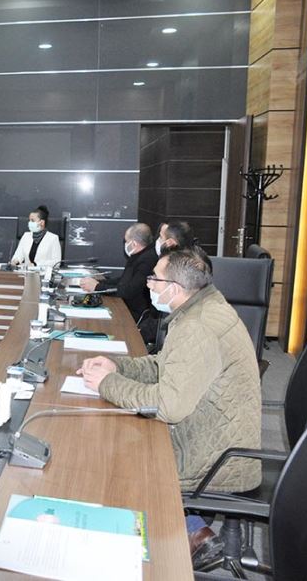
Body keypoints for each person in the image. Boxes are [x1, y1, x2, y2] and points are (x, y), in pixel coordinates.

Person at [76, 248, 261, 568]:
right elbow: (166, 365)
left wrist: (108, 384)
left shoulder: (197, 326)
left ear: (174, 289)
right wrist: (118, 366)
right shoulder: (202, 307)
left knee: (115, 460)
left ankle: (150, 556)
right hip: (212, 432)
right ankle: (194, 530)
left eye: (155, 279)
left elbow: (167, 406)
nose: (148, 284)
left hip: (219, 458)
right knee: (126, 437)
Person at [79, 223, 157, 326]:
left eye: (126, 241)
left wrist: (97, 287)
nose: (125, 244)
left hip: (132, 313)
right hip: (125, 306)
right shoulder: (138, 255)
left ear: (134, 244)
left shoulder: (147, 260)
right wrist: (98, 282)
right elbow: (123, 280)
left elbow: (129, 290)